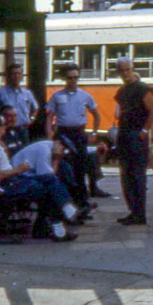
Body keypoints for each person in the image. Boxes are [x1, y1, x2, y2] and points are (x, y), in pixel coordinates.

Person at [0, 114, 79, 242]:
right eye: (3, 125)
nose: (5, 128)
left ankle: (60, 220)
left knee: (49, 182)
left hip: (12, 181)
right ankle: (63, 214)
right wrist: (19, 169)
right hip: (6, 186)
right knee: (49, 187)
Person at [46, 64, 103, 205]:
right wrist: (49, 139)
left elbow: (96, 115)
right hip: (63, 134)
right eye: (70, 78)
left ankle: (82, 202)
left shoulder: (85, 95)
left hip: (79, 134)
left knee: (80, 169)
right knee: (64, 169)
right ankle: (66, 202)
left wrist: (94, 132)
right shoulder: (57, 96)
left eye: (76, 78)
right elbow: (49, 118)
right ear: (64, 78)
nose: (73, 81)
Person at [113, 56, 153, 225]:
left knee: (137, 176)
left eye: (127, 70)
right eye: (122, 70)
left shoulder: (142, 88)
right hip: (124, 135)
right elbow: (118, 113)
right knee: (126, 175)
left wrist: (144, 131)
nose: (125, 73)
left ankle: (140, 213)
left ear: (132, 69)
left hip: (136, 135)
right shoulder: (122, 91)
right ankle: (133, 211)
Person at [0, 63, 42, 133]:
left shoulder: (27, 93)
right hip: (5, 129)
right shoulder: (0, 92)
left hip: (23, 129)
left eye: (19, 73)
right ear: (8, 76)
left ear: (22, 76)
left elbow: (36, 108)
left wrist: (31, 119)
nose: (16, 76)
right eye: (13, 74)